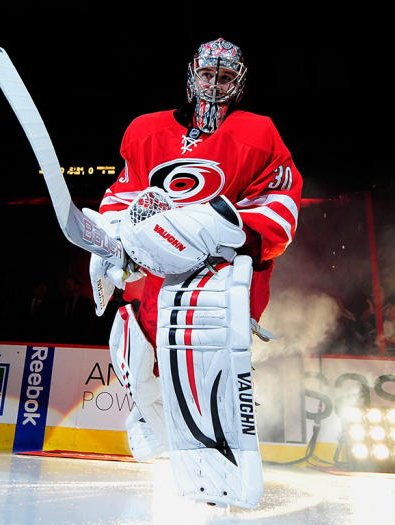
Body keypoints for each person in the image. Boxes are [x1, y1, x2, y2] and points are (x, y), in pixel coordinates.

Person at [85, 38, 302, 509]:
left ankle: (217, 458)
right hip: (161, 268)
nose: (214, 85)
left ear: (238, 84)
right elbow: (124, 196)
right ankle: (149, 416)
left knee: (209, 357)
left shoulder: (259, 132)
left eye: (225, 78)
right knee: (132, 343)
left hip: (221, 270)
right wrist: (110, 239)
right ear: (192, 77)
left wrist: (220, 228)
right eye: (208, 75)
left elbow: (280, 209)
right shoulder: (145, 131)